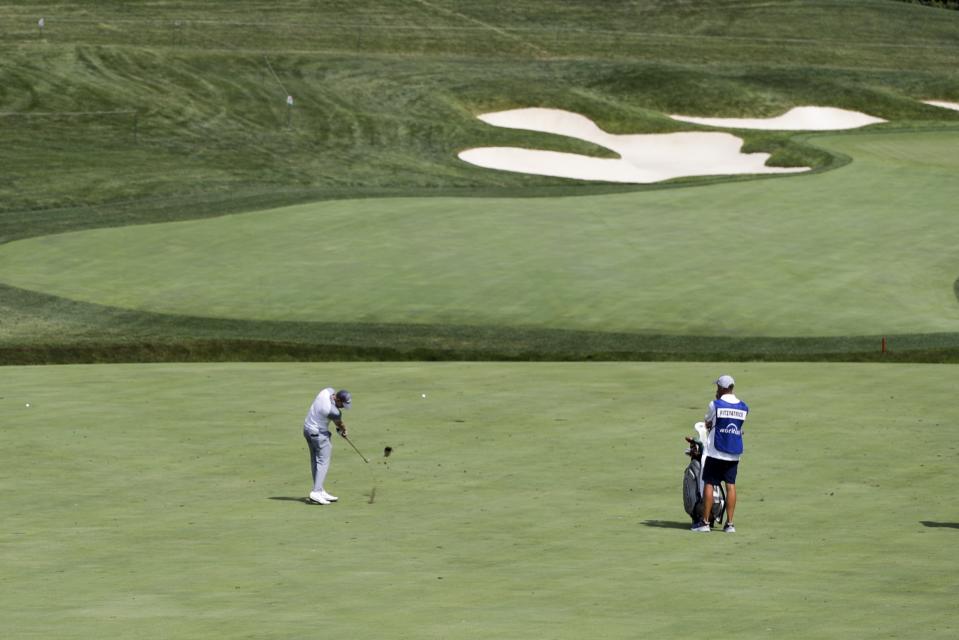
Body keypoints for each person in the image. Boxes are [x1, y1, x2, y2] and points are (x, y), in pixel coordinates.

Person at [691, 375, 748, 533]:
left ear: (723, 388)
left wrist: (711, 423)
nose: (716, 390)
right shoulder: (744, 406)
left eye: (717, 387)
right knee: (731, 485)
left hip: (716, 452)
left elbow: (707, 421)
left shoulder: (715, 404)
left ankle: (705, 523)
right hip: (734, 453)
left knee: (709, 483)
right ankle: (730, 525)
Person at [303, 387, 352, 505]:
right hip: (319, 434)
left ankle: (319, 490)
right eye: (342, 405)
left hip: (307, 429)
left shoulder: (326, 391)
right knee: (323, 461)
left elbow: (331, 392)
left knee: (315, 460)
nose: (342, 408)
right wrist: (343, 430)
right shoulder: (333, 411)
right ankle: (316, 492)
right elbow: (339, 423)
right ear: (338, 400)